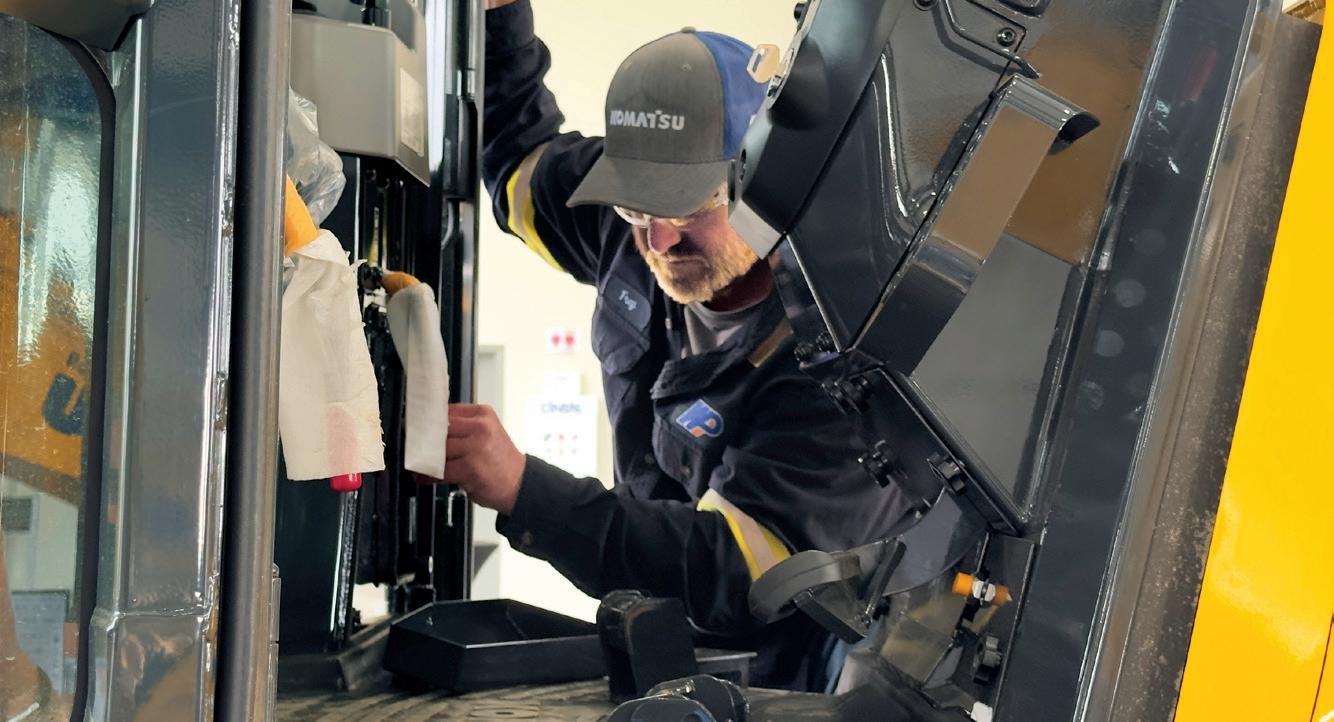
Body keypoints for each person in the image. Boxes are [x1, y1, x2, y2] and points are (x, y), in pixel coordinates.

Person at [442, 0, 913, 691]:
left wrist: (525, 490)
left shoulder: (846, 352)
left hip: (790, 685)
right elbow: (519, 164)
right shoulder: (632, 228)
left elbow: (734, 574)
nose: (658, 241)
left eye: (690, 205)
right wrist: (500, 14)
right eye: (638, 207)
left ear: (765, 176)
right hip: (655, 649)